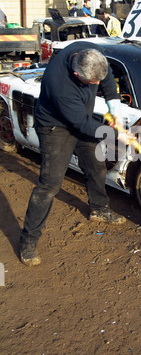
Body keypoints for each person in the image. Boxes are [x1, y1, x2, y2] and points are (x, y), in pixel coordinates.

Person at [19, 43, 128, 267]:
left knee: (96, 165)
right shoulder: (59, 84)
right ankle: (28, 242)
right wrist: (115, 134)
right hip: (55, 128)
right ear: (77, 75)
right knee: (49, 184)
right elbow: (81, 123)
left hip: (82, 119)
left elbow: (106, 81)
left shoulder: (91, 53)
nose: (96, 85)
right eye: (91, 83)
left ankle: (99, 209)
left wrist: (115, 112)